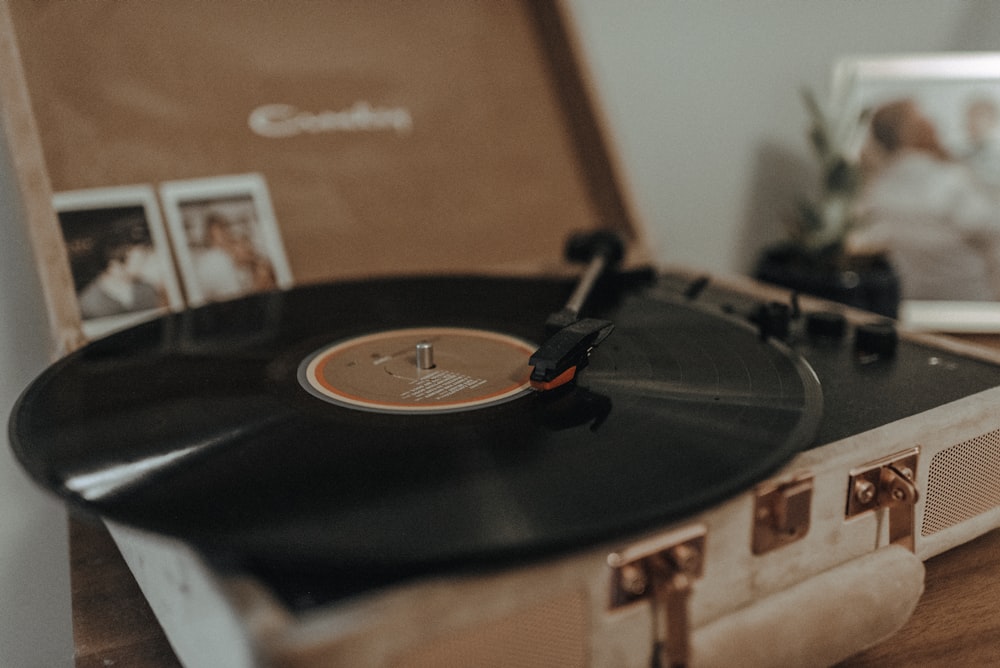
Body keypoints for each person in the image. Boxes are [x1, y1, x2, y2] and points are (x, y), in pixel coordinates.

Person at [849, 98, 1000, 301]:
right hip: (969, 307)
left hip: (906, 305)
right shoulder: (950, 183)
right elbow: (993, 230)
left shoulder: (875, 190)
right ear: (913, 131)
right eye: (925, 119)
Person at [192, 211, 276, 302]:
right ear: (210, 237)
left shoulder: (259, 267)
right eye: (221, 234)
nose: (227, 237)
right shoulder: (216, 260)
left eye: (225, 232)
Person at [77, 241, 163, 319]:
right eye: (139, 260)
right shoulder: (87, 304)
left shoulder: (148, 290)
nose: (145, 264)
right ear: (115, 266)